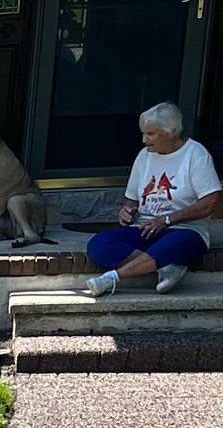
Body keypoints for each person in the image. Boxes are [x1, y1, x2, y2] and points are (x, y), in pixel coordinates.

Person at [86, 104, 220, 296]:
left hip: (186, 229)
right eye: (143, 133)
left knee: (175, 244)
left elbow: (211, 202)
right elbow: (131, 199)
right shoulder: (144, 156)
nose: (144, 140)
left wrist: (167, 220)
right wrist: (127, 210)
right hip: (145, 227)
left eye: (151, 134)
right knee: (99, 244)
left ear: (171, 132)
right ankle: (165, 267)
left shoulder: (195, 154)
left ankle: (111, 279)